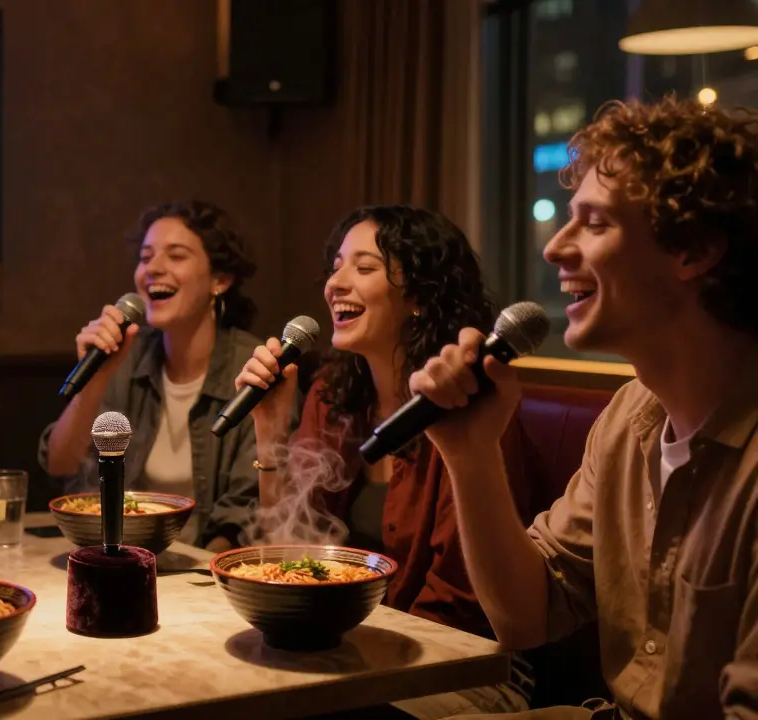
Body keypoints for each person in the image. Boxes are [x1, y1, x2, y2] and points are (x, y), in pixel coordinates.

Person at [408, 95, 758, 719]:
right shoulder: (629, 417)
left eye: (594, 224)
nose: (554, 248)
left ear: (694, 249)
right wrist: (470, 453)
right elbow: (525, 615)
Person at [235, 205, 537, 717]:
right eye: (335, 267)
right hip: (357, 652)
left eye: (364, 267)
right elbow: (292, 557)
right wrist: (270, 428)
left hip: (470, 668)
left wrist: (339, 664)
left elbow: (458, 609)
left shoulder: (469, 410)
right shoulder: (333, 395)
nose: (337, 283)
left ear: (418, 295)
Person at [39, 200, 262, 551]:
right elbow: (61, 464)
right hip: (125, 557)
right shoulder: (126, 356)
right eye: (145, 258)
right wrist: (94, 381)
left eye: (176, 256)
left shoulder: (254, 367)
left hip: (204, 575)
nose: (153, 269)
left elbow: (246, 513)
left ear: (220, 280)